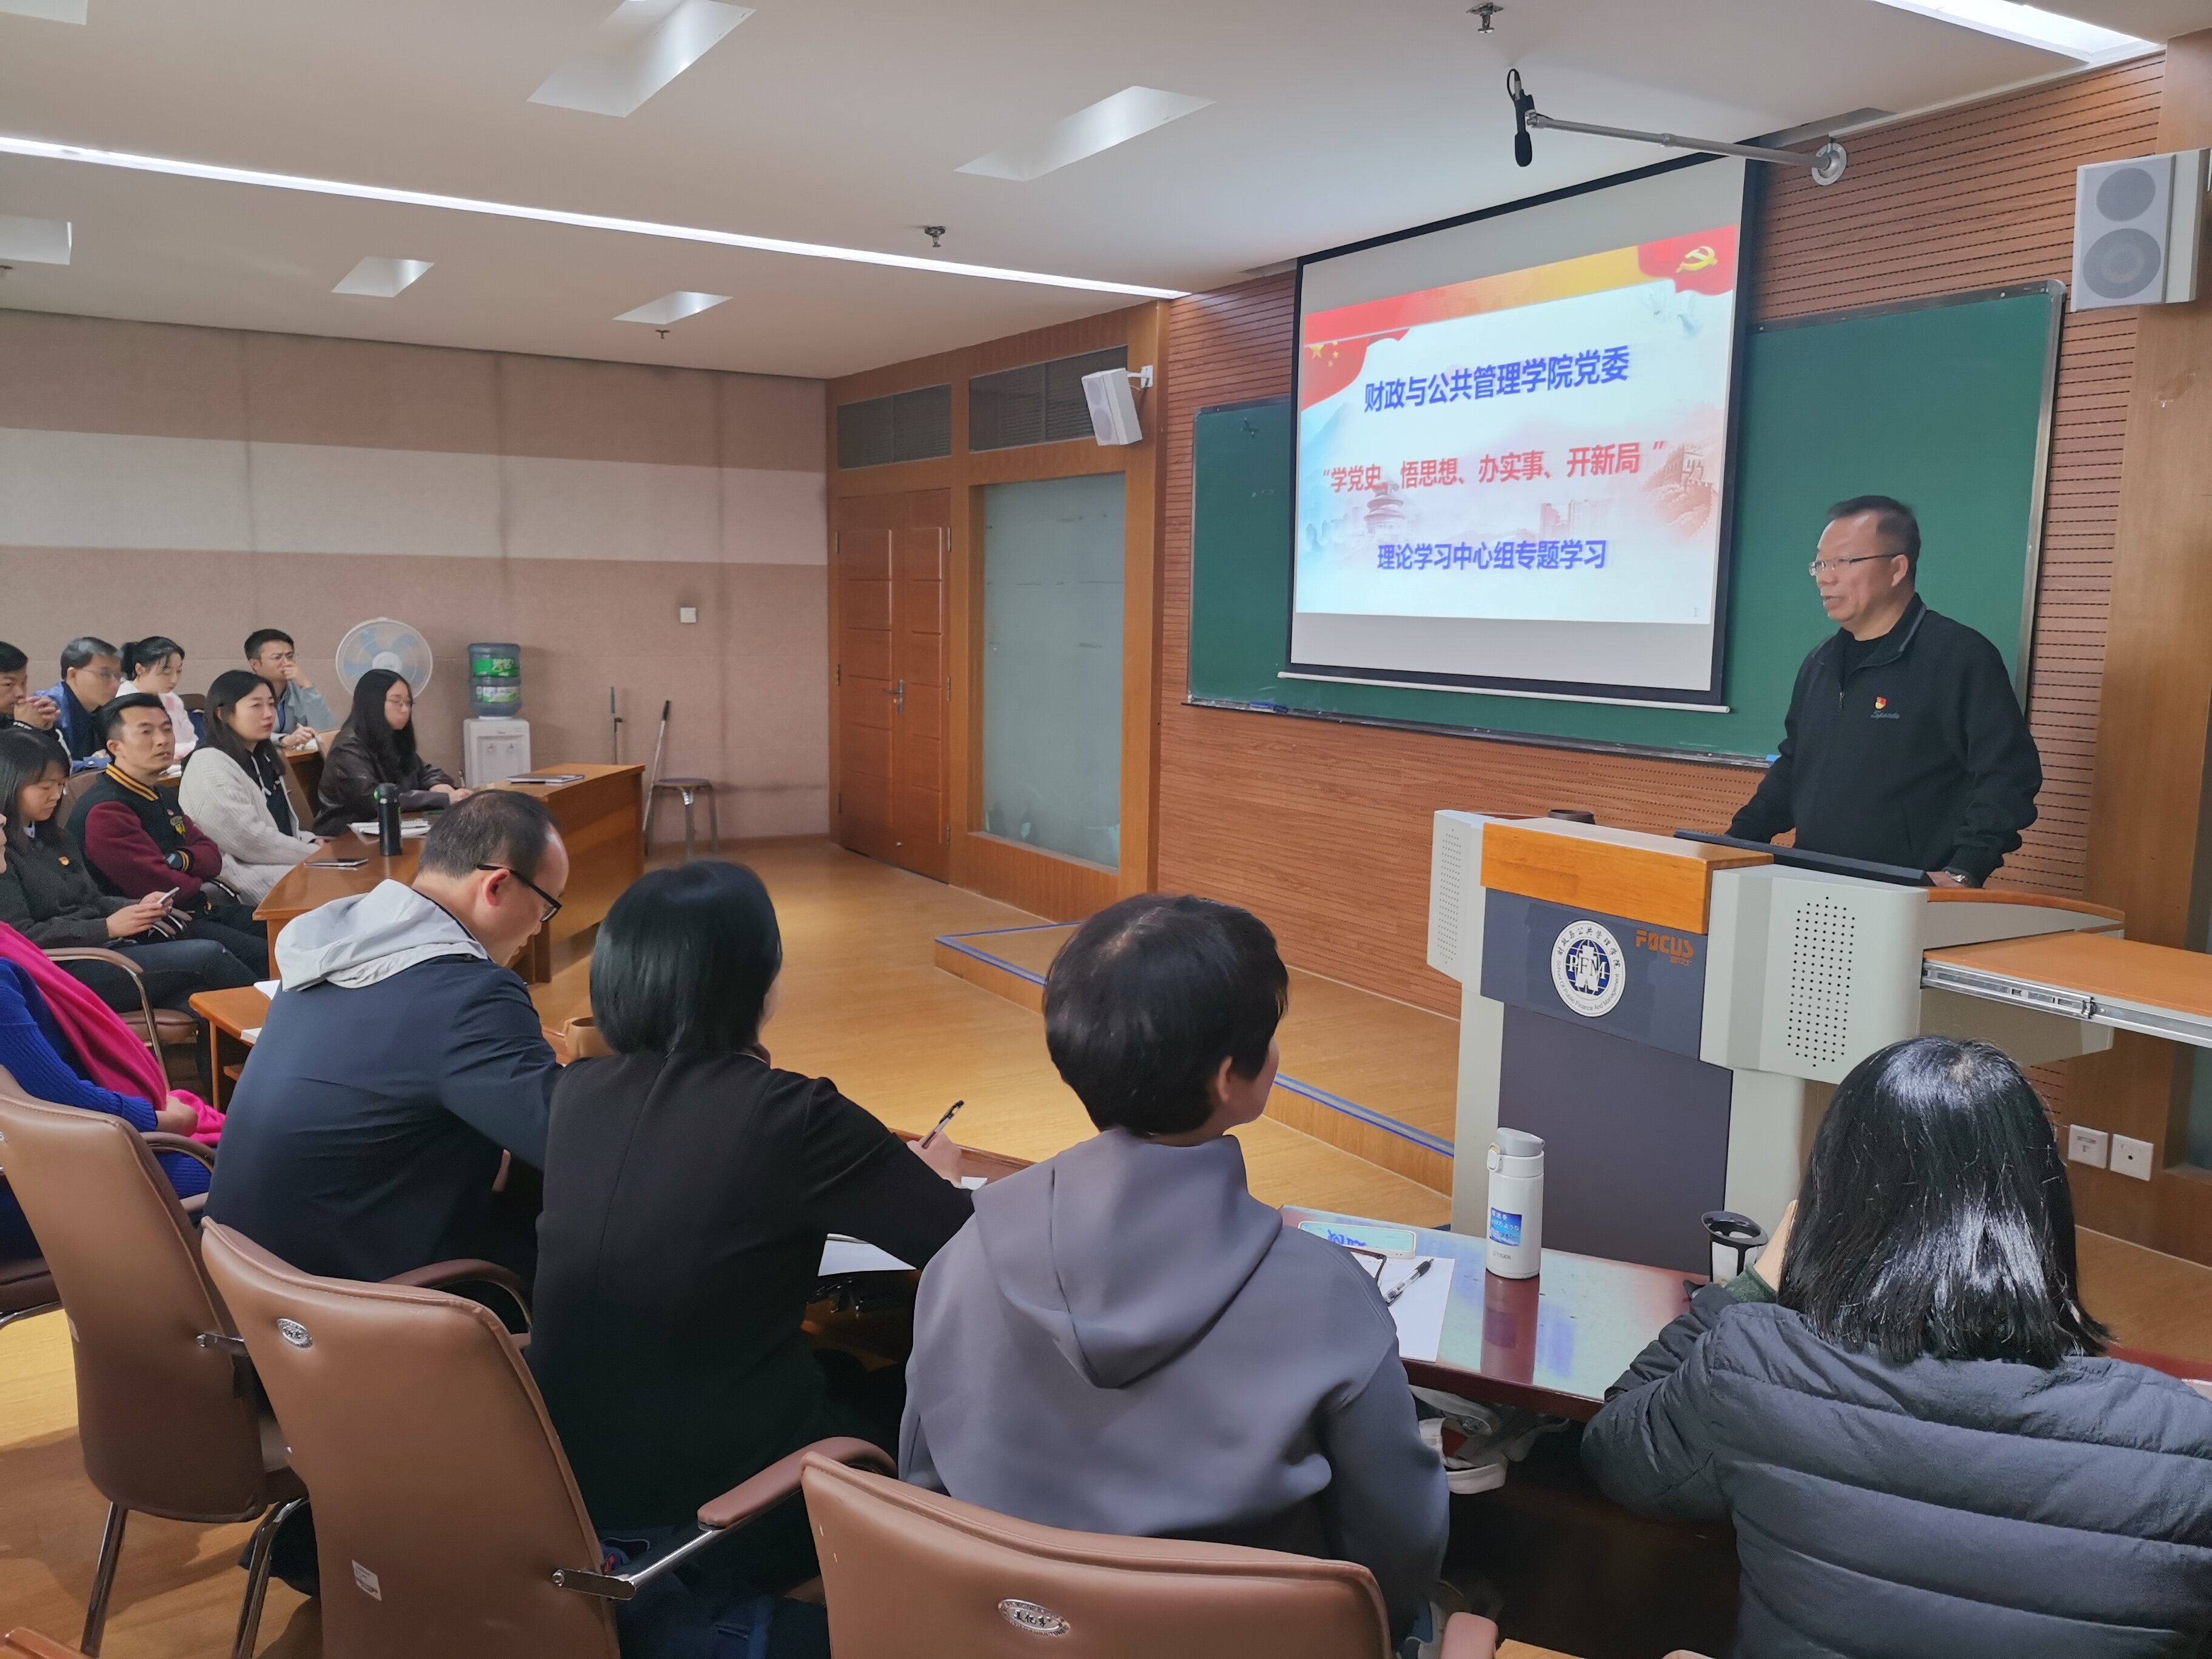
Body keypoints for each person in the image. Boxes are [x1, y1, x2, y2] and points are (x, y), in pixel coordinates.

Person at [900, 894, 1447, 1647]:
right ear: (1230, 1080)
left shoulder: (963, 1258)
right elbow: (1400, 1548)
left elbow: (924, 1487)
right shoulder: (1324, 1293)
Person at [1581, 1036, 2212, 1655]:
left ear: (1834, 1206)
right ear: (2041, 1208)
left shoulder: (1758, 1365)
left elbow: (1619, 1449)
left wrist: (1752, 1288)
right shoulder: (2186, 1440)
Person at [528, 861, 973, 1654]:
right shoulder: (796, 1115)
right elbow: (968, 1245)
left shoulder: (575, 1095)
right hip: (722, 1512)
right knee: (934, 1394)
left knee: (838, 1370)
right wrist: (931, 1180)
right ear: (756, 982)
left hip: (564, 1485)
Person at [206, 790, 566, 1286]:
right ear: (497, 885)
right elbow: (568, 1143)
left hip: (247, 1277)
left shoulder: (335, 946)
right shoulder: (468, 993)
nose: (539, 929)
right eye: (546, 907)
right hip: (356, 1299)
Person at [1728, 496, 2042, 887]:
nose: (1825, 578)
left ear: (1897, 568)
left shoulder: (1958, 656)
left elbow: (2008, 774)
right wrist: (1736, 842)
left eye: (1843, 562)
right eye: (1820, 564)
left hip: (1907, 892)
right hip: (1812, 881)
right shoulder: (1820, 662)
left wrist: (1966, 869)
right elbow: (1795, 765)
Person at [0, 905, 218, 1259]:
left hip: (39, 1153)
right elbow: (64, 1105)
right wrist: (165, 1120)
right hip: (28, 1180)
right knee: (244, 1174)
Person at [0, 728, 257, 1014]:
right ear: (10, 784)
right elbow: (19, 938)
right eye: (45, 787)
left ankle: (251, 1038)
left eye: (61, 785)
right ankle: (272, 1029)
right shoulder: (3, 853)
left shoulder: (55, 838)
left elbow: (93, 900)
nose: (56, 796)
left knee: (203, 1002)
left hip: (104, 950)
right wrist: (107, 927)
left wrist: (138, 907)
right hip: (60, 969)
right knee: (209, 955)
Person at [64, 695, 269, 977]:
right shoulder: (107, 810)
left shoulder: (161, 794)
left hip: (195, 910)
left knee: (288, 927)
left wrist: (179, 860)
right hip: (154, 929)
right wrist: (190, 872)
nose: (162, 740)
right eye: (146, 732)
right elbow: (161, 886)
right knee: (268, 954)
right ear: (115, 747)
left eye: (167, 729)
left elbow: (212, 856)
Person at [178, 671, 320, 905]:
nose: (269, 714)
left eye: (271, 704)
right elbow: (248, 840)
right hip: (242, 874)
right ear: (222, 714)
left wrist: (310, 841)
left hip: (276, 863)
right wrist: (313, 854)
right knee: (341, 885)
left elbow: (281, 825)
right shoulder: (208, 763)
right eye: (256, 706)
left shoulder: (263, 756)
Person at [313, 667, 467, 836]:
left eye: (408, 703)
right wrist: (442, 799)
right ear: (373, 703)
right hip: (348, 836)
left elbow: (423, 771)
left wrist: (435, 785)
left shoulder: (392, 737)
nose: (405, 710)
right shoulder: (347, 748)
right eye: (397, 702)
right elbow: (376, 797)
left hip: (389, 828)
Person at [36, 636, 124, 771]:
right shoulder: (46, 708)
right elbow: (48, 768)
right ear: (73, 675)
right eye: (105, 674)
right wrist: (101, 762)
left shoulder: (108, 708)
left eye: (118, 676)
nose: (115, 684)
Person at [244, 629, 335, 753]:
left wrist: (307, 686)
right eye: (277, 658)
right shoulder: (244, 693)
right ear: (255, 664)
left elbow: (328, 732)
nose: (287, 663)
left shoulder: (300, 689)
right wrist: (282, 740)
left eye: (290, 656)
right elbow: (244, 733)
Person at [118, 636, 198, 762]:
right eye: (167, 672)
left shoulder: (172, 699)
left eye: (179, 671)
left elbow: (190, 738)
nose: (174, 680)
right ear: (140, 669)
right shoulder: (123, 701)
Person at [0, 641, 59, 739]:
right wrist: (23, 727)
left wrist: (44, 730)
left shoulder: (11, 719)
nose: (20, 693)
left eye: (23, 683)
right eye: (8, 684)